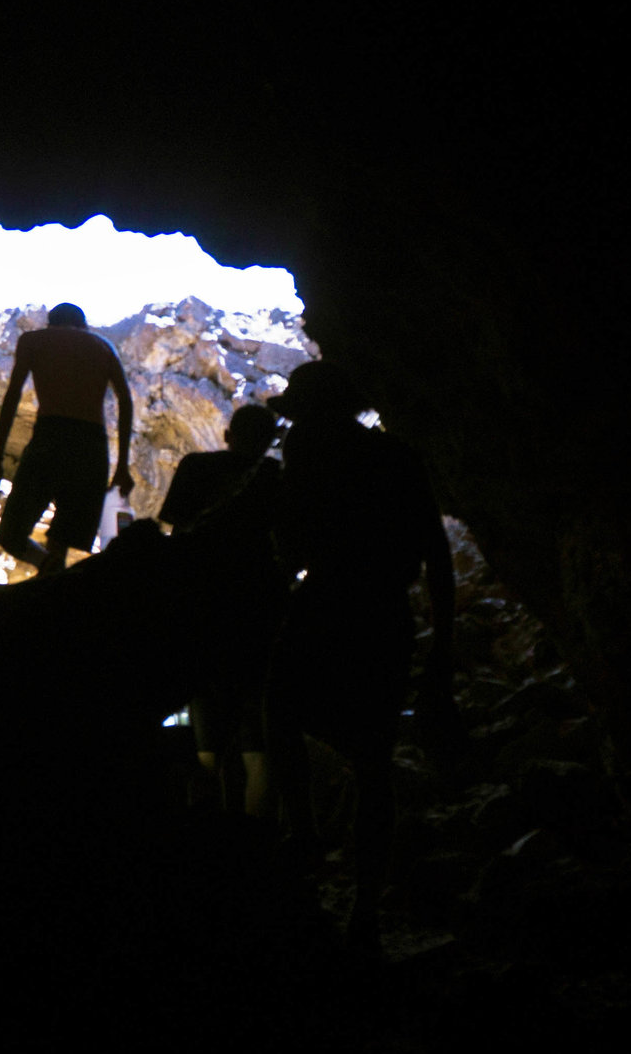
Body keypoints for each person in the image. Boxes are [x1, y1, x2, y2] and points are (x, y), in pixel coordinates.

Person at [261, 359, 456, 952]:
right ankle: (364, 909)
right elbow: (436, 557)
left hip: (325, 604)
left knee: (281, 714)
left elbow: (289, 550)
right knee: (373, 765)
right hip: (382, 618)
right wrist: (441, 649)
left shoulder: (304, 453)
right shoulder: (397, 457)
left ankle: (305, 836)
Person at [159, 405, 288, 815]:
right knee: (258, 740)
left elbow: (178, 531)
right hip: (260, 610)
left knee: (206, 734)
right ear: (272, 441)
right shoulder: (278, 479)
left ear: (228, 434)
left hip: (202, 606)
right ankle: (256, 842)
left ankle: (205, 835)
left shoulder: (196, 467)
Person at [0, 302, 135, 575]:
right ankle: (53, 579)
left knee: (10, 535)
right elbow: (125, 400)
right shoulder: (102, 347)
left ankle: (47, 569)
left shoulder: (33, 341)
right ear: (83, 325)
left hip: (50, 437)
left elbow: (13, 395)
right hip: (91, 445)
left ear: (50, 323)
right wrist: (122, 465)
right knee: (63, 538)